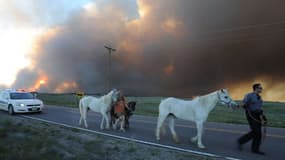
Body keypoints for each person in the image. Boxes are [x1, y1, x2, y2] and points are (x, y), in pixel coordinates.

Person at [237, 83, 267, 155]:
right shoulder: (249, 95)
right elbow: (244, 103)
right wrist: (238, 106)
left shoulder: (259, 98)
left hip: (257, 115)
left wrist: (263, 117)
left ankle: (249, 145)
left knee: (257, 132)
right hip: (251, 115)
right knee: (256, 131)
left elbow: (259, 108)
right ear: (256, 88)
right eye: (260, 88)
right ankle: (245, 143)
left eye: (261, 88)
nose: (261, 89)